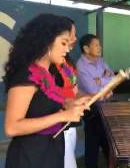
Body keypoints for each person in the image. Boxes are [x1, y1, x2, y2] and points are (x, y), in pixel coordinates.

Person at [3, 14, 90, 168]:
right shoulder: (26, 75)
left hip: (50, 150)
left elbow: (45, 104)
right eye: (63, 43)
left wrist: (70, 103)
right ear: (46, 43)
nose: (67, 49)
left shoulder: (47, 73)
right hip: (30, 156)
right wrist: (63, 115)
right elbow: (12, 127)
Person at [76, 34, 114, 168]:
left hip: (105, 106)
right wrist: (105, 82)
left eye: (99, 44)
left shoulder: (101, 61)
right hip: (92, 109)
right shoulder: (81, 66)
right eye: (96, 45)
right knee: (93, 143)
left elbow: (113, 78)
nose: (100, 47)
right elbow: (93, 90)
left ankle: (111, 163)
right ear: (86, 49)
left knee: (106, 140)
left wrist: (101, 80)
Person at [49, 17, 79, 168]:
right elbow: (51, 95)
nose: (74, 38)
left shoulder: (66, 61)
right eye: (69, 36)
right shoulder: (46, 67)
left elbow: (72, 87)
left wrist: (77, 100)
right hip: (58, 123)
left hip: (69, 120)